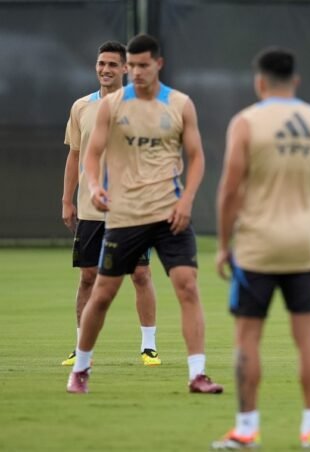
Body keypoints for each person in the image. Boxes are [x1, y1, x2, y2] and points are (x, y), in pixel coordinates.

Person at [66, 33, 223, 394]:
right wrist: (93, 185)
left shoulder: (180, 104)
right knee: (102, 293)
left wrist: (187, 202)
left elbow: (197, 157)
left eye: (142, 65)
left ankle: (197, 373)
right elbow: (91, 153)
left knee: (187, 287)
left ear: (158, 65)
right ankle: (82, 367)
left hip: (170, 214)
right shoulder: (112, 105)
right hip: (125, 215)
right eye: (132, 66)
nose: (136, 72)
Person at [212, 48, 310, 450]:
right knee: (308, 338)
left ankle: (247, 430)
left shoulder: (247, 122)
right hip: (303, 245)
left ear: (260, 81)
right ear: (295, 81)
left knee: (247, 337)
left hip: (257, 247)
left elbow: (230, 189)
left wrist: (221, 244)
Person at [61, 40, 161, 368]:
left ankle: (149, 347)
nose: (105, 70)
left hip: (132, 208)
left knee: (141, 274)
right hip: (91, 208)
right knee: (88, 276)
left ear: (126, 70)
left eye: (112, 65)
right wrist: (67, 200)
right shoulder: (81, 107)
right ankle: (81, 348)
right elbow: (74, 154)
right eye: (101, 63)